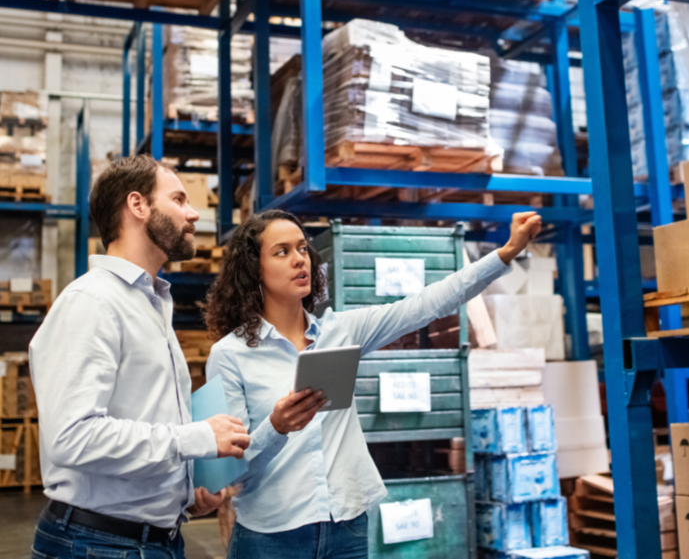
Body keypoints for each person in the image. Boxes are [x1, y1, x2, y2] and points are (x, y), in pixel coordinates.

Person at [204, 209, 542, 559]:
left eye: (302, 249)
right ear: (252, 269)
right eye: (282, 251)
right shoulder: (229, 355)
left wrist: (507, 251)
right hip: (271, 538)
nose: (299, 260)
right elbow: (231, 471)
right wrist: (277, 427)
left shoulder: (341, 331)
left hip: (346, 528)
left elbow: (427, 304)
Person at [29, 155, 250, 559]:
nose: (193, 212)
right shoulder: (92, 302)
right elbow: (71, 438)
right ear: (138, 205)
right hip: (97, 545)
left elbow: (143, 419)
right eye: (180, 199)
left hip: (153, 539)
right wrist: (197, 438)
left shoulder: (151, 302)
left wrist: (181, 494)